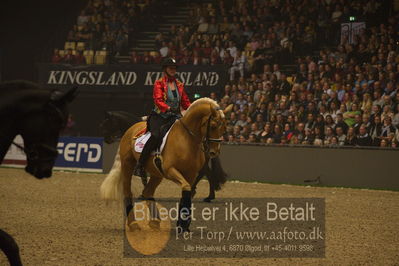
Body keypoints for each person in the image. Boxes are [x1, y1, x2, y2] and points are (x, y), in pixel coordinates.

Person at [133, 57, 191, 178]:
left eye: (174, 68)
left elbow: (185, 101)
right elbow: (158, 100)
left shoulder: (179, 85)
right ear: (165, 69)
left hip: (174, 116)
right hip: (159, 116)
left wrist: (191, 110)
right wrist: (169, 108)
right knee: (155, 135)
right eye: (171, 68)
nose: (173, 70)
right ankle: (140, 164)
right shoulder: (159, 83)